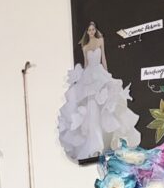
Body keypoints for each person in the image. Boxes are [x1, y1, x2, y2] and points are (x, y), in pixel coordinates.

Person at [58, 21, 141, 160]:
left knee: (105, 105)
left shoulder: (100, 40)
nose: (91, 32)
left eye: (93, 29)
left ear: (95, 30)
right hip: (89, 76)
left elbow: (103, 58)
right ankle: (95, 144)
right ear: (87, 32)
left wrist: (107, 75)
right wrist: (83, 80)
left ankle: (108, 140)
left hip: (100, 73)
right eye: (89, 30)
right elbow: (86, 64)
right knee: (92, 109)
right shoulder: (85, 46)